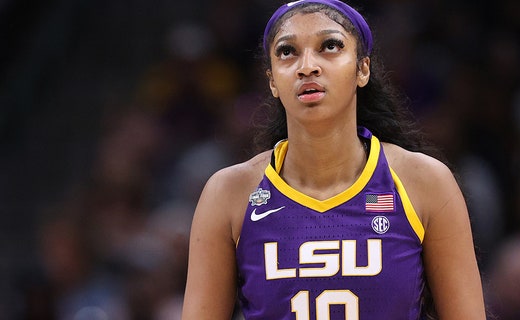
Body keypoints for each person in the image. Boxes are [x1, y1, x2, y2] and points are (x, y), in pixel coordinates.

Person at [181, 0, 485, 319]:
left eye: (330, 46)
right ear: (272, 80)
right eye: (288, 51)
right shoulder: (228, 193)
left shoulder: (425, 182)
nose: (307, 66)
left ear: (362, 68)